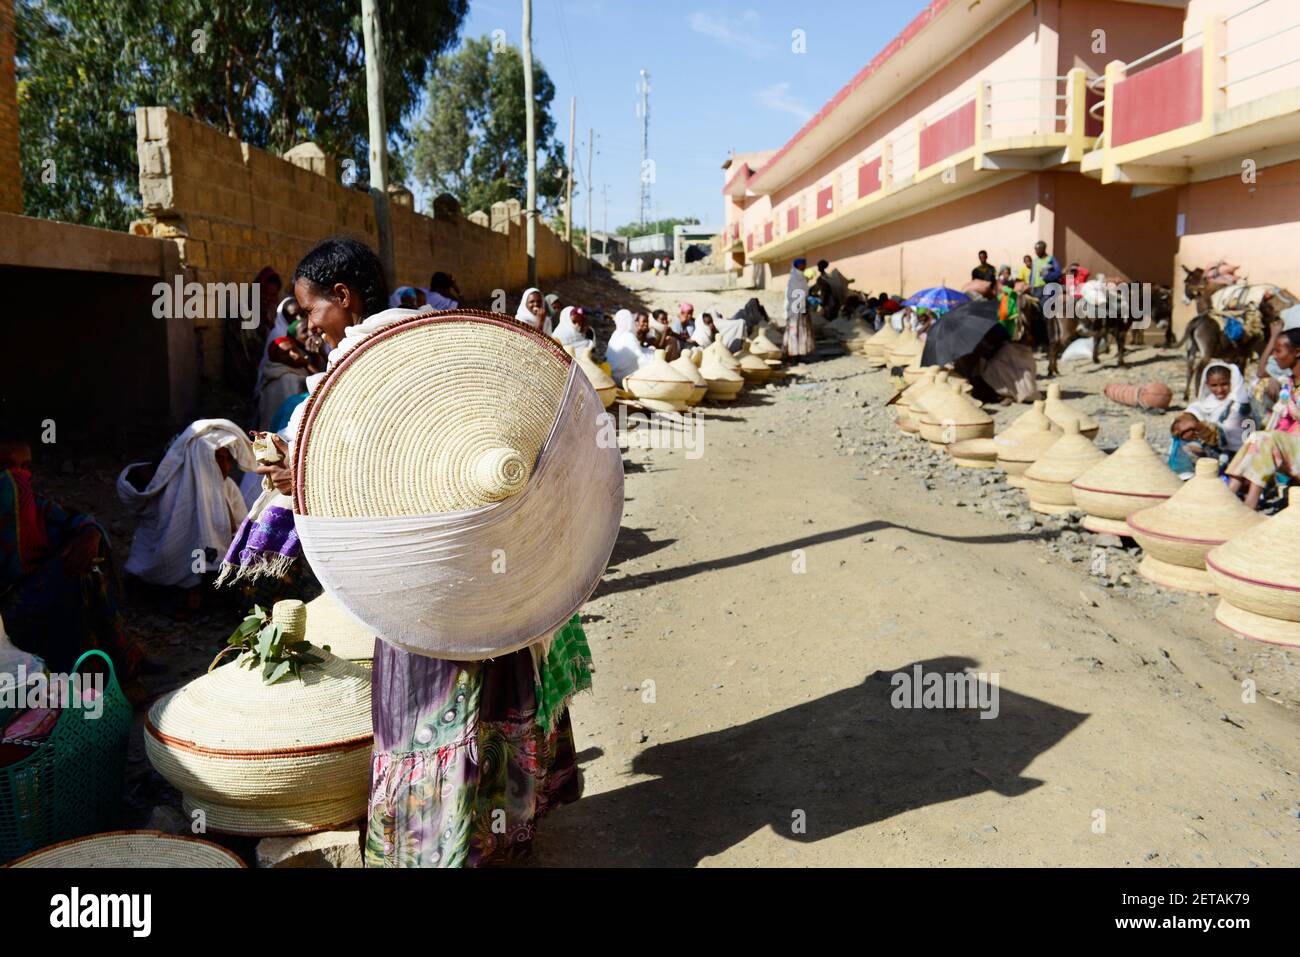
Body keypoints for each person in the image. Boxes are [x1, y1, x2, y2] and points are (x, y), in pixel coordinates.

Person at [256, 237, 591, 866]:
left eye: (310, 310)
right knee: (495, 674)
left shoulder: (358, 366)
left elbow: (360, 483)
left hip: (420, 574)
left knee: (426, 703)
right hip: (486, 559)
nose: (306, 325)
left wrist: (292, 476)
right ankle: (500, 829)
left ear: (344, 298)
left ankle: (434, 845)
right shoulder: (441, 337)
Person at [0, 430, 144, 680]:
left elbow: (77, 519)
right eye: (8, 467)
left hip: (33, 597)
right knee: (71, 577)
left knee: (83, 562)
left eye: (25, 467)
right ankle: (88, 673)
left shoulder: (34, 504)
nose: (19, 476)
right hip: (5, 622)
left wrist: (91, 535)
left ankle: (117, 661)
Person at [117, 420, 254, 600]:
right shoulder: (170, 489)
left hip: (211, 561)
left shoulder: (227, 487)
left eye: (229, 459)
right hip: (167, 563)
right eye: (218, 458)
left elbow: (242, 528)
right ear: (197, 459)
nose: (226, 466)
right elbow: (131, 493)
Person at [1225, 328, 1300, 508]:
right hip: (1291, 449)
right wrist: (1274, 335)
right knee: (1257, 437)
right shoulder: (1288, 383)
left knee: (1265, 437)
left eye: (1278, 350)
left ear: (1297, 352)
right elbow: (1261, 371)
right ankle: (1228, 497)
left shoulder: (1287, 386)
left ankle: (1248, 505)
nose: (1274, 356)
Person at [224, 266, 282, 399]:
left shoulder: (273, 315)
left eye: (272, 295)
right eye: (263, 293)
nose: (267, 298)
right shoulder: (240, 314)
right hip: (244, 378)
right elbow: (243, 352)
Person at [256, 335, 312, 431]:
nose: (295, 355)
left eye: (295, 349)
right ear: (276, 358)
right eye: (285, 353)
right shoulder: (289, 379)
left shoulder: (277, 371)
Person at [606, 308, 652, 384]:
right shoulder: (629, 336)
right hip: (623, 378)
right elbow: (641, 359)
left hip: (612, 375)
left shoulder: (615, 335)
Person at [783, 257, 815, 360]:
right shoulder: (794, 278)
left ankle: (800, 353)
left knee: (801, 331)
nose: (804, 266)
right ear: (798, 265)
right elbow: (793, 294)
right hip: (795, 309)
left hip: (802, 308)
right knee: (794, 331)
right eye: (803, 264)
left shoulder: (802, 278)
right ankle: (792, 354)